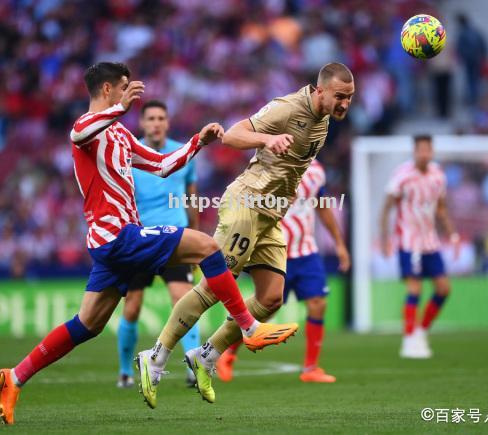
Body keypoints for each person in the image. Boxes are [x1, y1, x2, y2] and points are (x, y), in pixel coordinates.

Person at [0, 62, 298, 424]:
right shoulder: (86, 129)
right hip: (117, 236)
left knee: (88, 324)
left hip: (116, 243)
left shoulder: (119, 135)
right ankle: (248, 327)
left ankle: (14, 377)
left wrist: (199, 141)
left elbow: (164, 164)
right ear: (107, 90)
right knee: (208, 247)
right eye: (123, 87)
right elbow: (79, 135)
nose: (129, 91)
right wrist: (121, 109)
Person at [136, 62, 355, 405]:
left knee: (271, 297)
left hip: (271, 215)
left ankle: (207, 355)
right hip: (246, 203)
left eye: (350, 98)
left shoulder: (324, 120)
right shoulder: (288, 108)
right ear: (320, 90)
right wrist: (268, 138)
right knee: (213, 287)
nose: (345, 104)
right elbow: (233, 133)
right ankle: (156, 355)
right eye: (340, 96)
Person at [215, 160, 351, 383]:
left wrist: (339, 243)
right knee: (264, 308)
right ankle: (228, 353)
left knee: (318, 303)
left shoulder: (316, 171)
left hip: (306, 251)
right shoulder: (270, 166)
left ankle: (310, 369)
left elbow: (322, 205)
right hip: (275, 252)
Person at [117, 100, 200, 389]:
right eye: (150, 118)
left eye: (161, 118)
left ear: (167, 122)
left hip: (175, 238)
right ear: (142, 123)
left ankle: (194, 366)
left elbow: (191, 198)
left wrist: (196, 239)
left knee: (185, 302)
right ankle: (125, 371)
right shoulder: (129, 155)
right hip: (140, 239)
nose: (155, 122)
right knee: (132, 307)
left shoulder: (183, 153)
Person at [380, 134, 460, 359]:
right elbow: (387, 208)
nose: (424, 153)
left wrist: (452, 233)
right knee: (415, 288)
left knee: (444, 289)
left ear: (432, 152)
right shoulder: (402, 176)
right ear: (415, 151)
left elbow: (441, 209)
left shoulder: (438, 176)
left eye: (428, 149)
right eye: (420, 149)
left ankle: (421, 331)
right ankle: (408, 339)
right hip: (409, 241)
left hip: (430, 241)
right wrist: (385, 237)